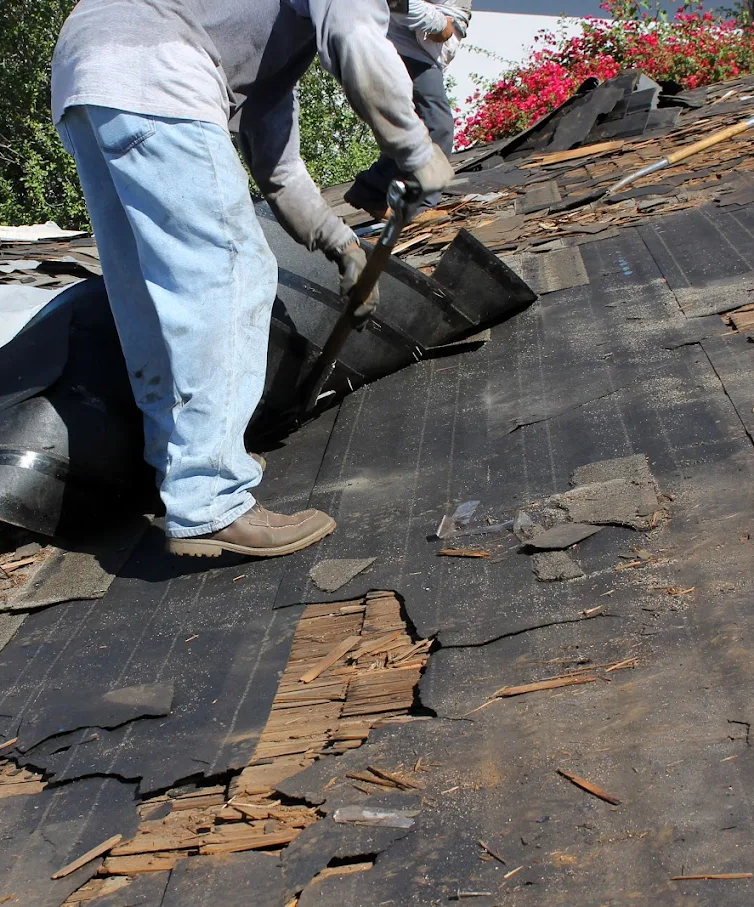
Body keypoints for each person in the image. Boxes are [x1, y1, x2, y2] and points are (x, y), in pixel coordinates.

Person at [50, 0, 453, 559]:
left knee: (148, 289)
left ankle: (179, 458)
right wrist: (416, 148)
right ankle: (209, 494)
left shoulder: (263, 51)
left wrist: (342, 245)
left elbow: (279, 168)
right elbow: (357, 43)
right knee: (229, 273)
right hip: (159, 65)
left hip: (88, 73)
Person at [345, 0, 471, 219]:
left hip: (416, 51)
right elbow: (396, 3)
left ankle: (370, 190)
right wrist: (440, 24)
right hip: (406, 50)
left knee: (413, 127)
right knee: (437, 125)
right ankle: (420, 208)